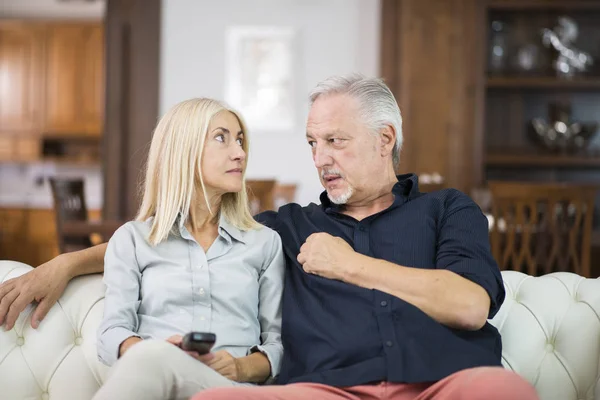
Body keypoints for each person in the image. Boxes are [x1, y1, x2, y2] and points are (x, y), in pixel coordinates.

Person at [0, 74, 539, 400]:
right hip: (323, 389)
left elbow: (470, 305)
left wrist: (350, 264)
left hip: (446, 382)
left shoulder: (447, 209)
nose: (320, 157)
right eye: (312, 142)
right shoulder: (287, 228)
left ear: (385, 140)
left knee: (506, 392)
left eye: (335, 140)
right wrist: (66, 264)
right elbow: (175, 231)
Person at [93, 97, 284, 400]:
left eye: (240, 140)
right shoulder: (132, 240)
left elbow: (277, 345)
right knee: (155, 358)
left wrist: (239, 367)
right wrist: (152, 353)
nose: (240, 153)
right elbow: (111, 334)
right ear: (185, 149)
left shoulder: (264, 243)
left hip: (230, 391)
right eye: (222, 138)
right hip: (156, 381)